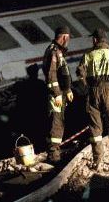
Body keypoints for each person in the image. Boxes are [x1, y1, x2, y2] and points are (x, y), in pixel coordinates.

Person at [77, 28, 109, 170]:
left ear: (94, 40)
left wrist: (87, 88)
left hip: (93, 92)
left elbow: (80, 75)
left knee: (95, 128)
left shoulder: (88, 56)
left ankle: (97, 160)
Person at [42, 25, 74, 162]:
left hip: (60, 93)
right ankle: (53, 156)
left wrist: (67, 90)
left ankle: (55, 153)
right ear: (64, 37)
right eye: (68, 38)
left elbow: (62, 74)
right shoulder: (54, 51)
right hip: (56, 95)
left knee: (58, 121)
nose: (69, 41)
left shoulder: (56, 51)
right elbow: (52, 75)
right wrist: (57, 94)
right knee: (56, 122)